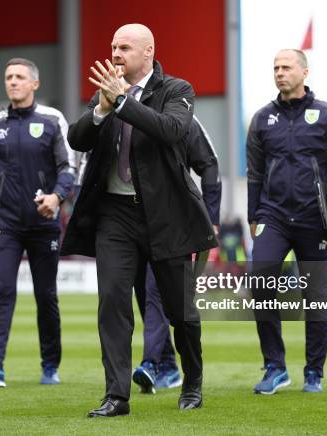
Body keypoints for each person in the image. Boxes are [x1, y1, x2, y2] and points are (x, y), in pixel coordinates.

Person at [61, 23, 217, 417]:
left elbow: (171, 130)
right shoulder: (108, 92)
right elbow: (77, 139)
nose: (115, 52)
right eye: (113, 45)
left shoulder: (176, 90)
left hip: (166, 215)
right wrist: (100, 108)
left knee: (180, 310)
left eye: (125, 47)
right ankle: (117, 395)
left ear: (148, 52)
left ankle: (192, 382)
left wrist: (122, 103)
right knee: (112, 303)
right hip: (115, 215)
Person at [246, 49, 327, 394]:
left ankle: (314, 372)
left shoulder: (326, 115)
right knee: (260, 279)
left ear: (304, 72)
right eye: (275, 68)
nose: (280, 73)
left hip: (315, 217)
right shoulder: (263, 119)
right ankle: (275, 366)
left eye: (286, 67)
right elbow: (254, 172)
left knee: (315, 296)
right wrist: (254, 215)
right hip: (274, 216)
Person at [0, 58, 75, 388]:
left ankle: (50, 365)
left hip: (44, 222)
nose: (12, 82)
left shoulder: (52, 119)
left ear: (34, 84)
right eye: (8, 77)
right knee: (2, 290)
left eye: (19, 77)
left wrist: (56, 198)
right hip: (6, 222)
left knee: (45, 295)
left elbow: (68, 168)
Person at [132, 116, 222, 394]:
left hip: (173, 224)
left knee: (158, 294)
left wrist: (210, 216)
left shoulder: (183, 115)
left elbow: (209, 163)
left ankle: (151, 363)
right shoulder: (119, 111)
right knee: (145, 296)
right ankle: (168, 365)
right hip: (131, 222)